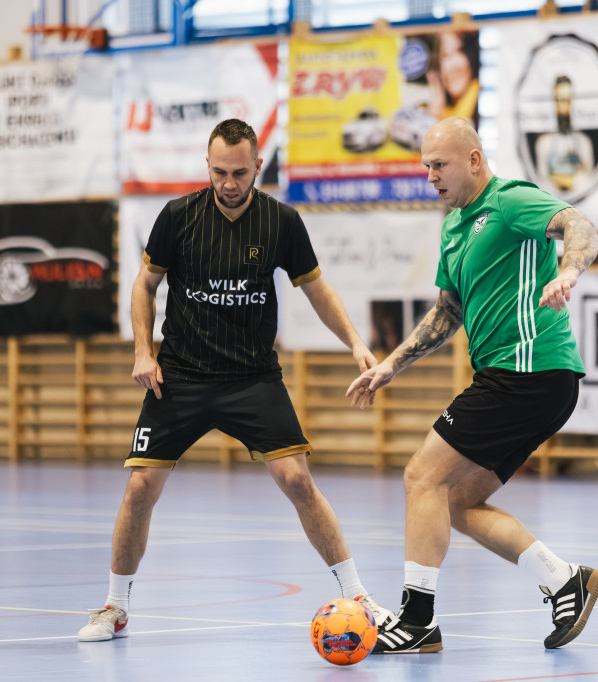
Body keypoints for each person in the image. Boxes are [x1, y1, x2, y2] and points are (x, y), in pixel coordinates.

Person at [78, 119, 395, 642]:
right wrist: (142, 350)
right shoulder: (178, 217)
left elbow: (317, 290)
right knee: (139, 488)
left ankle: (359, 596)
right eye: (220, 171)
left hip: (252, 377)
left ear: (258, 168)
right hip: (180, 375)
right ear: (208, 166)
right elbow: (144, 285)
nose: (229, 182)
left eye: (240, 172)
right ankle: (115, 607)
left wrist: (356, 343)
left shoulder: (281, 222)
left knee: (297, 480)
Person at [345, 117, 598, 653]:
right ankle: (563, 580)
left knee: (421, 476)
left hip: (528, 370)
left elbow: (580, 226)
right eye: (425, 167)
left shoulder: (510, 201)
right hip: (519, 380)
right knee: (457, 501)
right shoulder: (454, 227)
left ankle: (417, 621)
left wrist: (571, 271)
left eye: (438, 165)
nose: (430, 176)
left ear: (474, 160)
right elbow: (448, 310)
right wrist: (392, 363)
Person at [534, 75, 595, 194]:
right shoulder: (544, 143)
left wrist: (562, 179)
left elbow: (588, 181)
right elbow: (542, 183)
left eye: (569, 100)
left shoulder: (584, 142)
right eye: (561, 100)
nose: (565, 106)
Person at [428, 31, 481, 126]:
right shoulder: (442, 111)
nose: (453, 65)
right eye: (445, 55)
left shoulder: (482, 96)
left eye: (460, 51)